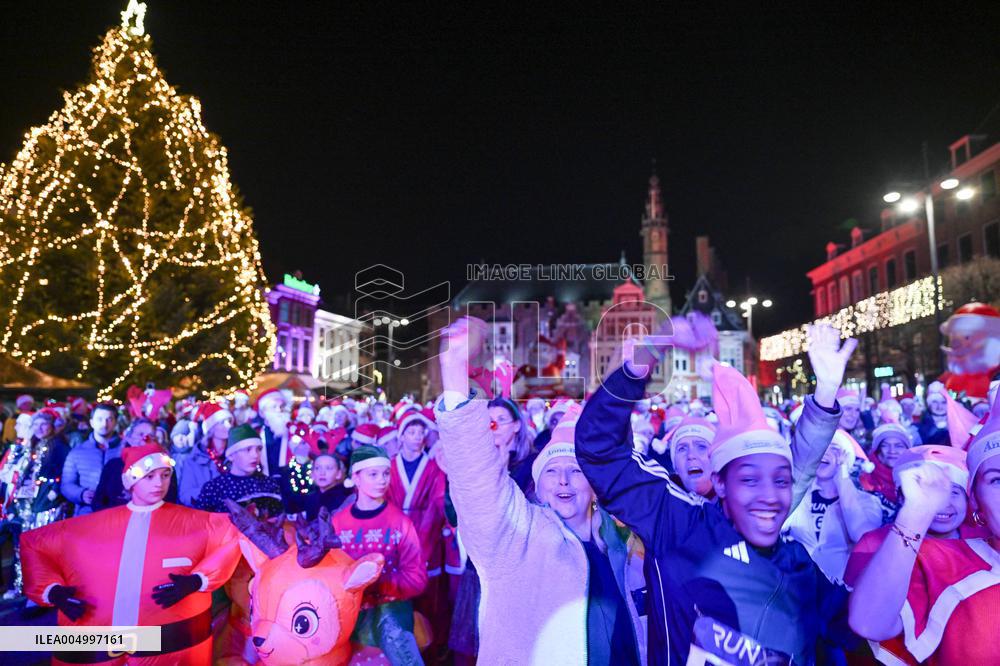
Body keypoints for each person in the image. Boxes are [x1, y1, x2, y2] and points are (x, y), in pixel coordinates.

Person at [576, 319, 856, 665]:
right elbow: (600, 449)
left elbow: (866, 627)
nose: (766, 495)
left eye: (776, 482)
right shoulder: (675, 521)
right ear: (723, 481)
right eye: (749, 480)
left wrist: (825, 395)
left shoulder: (796, 563)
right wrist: (646, 354)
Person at [437, 318, 645, 666]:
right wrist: (454, 367)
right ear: (537, 483)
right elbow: (475, 476)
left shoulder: (626, 542)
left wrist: (624, 378)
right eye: (552, 470)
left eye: (576, 471)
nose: (563, 480)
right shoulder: (516, 536)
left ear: (595, 487)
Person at [20, 442, 242, 665]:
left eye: (165, 475)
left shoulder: (196, 523)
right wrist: (51, 591)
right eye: (149, 477)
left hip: (172, 647)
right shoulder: (88, 527)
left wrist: (198, 580)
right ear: (131, 481)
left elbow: (231, 536)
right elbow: (35, 543)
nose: (159, 483)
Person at [846, 387, 1000, 664]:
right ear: (976, 500)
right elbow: (868, 623)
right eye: (997, 480)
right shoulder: (944, 562)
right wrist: (916, 512)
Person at [331, 445, 427, 665]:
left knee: (393, 633)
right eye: (373, 474)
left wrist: (377, 584)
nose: (381, 480)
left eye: (385, 474)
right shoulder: (338, 523)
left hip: (391, 612)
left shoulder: (400, 523)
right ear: (355, 477)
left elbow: (417, 577)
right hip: (349, 614)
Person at [782, 431, 882, 584]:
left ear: (846, 457)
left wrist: (842, 477)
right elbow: (777, 523)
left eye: (834, 448)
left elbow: (861, 535)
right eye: (820, 448)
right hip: (798, 588)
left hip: (842, 591)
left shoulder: (868, 501)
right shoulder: (799, 497)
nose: (825, 453)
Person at [388, 409, 449, 658]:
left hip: (427, 539)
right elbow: (386, 502)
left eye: (421, 431)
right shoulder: (390, 466)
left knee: (428, 597)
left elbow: (437, 505)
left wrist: (420, 545)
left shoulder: (434, 468)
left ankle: (429, 650)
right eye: (411, 432)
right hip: (395, 539)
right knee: (396, 597)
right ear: (401, 436)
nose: (417, 436)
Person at [194, 424, 282, 515]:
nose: (255, 455)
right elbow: (201, 523)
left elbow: (278, 522)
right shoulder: (214, 488)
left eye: (258, 449)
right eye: (248, 449)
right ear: (231, 455)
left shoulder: (269, 484)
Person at [60, 403, 122, 515]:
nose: (104, 424)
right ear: (92, 422)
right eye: (100, 419)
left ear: (115, 423)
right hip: (86, 513)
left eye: (109, 419)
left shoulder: (125, 449)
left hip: (118, 512)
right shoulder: (78, 452)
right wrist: (81, 494)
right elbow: (66, 484)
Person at [176, 405, 230, 506]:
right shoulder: (194, 459)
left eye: (229, 421)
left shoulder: (234, 454)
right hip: (205, 515)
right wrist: (211, 490)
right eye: (222, 422)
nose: (228, 426)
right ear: (211, 428)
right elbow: (185, 495)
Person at [860, 422, 913, 505]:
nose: (892, 451)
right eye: (885, 445)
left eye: (898, 446)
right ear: (877, 451)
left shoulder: (916, 479)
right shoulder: (866, 480)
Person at [302, 453, 350, 519]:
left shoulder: (345, 500)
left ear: (339, 474)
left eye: (328, 468)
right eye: (317, 468)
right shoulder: (310, 498)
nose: (322, 473)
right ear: (312, 474)